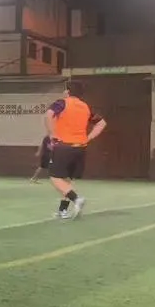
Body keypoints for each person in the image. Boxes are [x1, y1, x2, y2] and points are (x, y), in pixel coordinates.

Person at [46, 80, 107, 219]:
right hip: (80, 148)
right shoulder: (85, 107)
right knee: (67, 180)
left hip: (64, 146)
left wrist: (52, 134)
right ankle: (63, 211)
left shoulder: (62, 103)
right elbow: (102, 123)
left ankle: (76, 199)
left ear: (67, 91)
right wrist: (88, 138)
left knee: (55, 177)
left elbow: (48, 114)